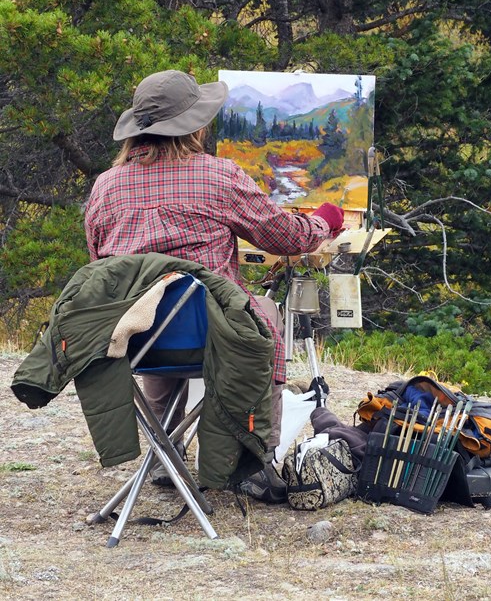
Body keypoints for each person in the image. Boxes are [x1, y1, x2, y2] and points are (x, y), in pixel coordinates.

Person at [84, 69, 344, 498]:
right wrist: (324, 221)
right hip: (214, 338)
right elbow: (287, 237)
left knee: (156, 306)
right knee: (265, 314)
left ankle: (166, 453)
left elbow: (101, 269)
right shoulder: (218, 177)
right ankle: (257, 458)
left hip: (136, 340)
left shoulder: (104, 188)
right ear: (194, 127)